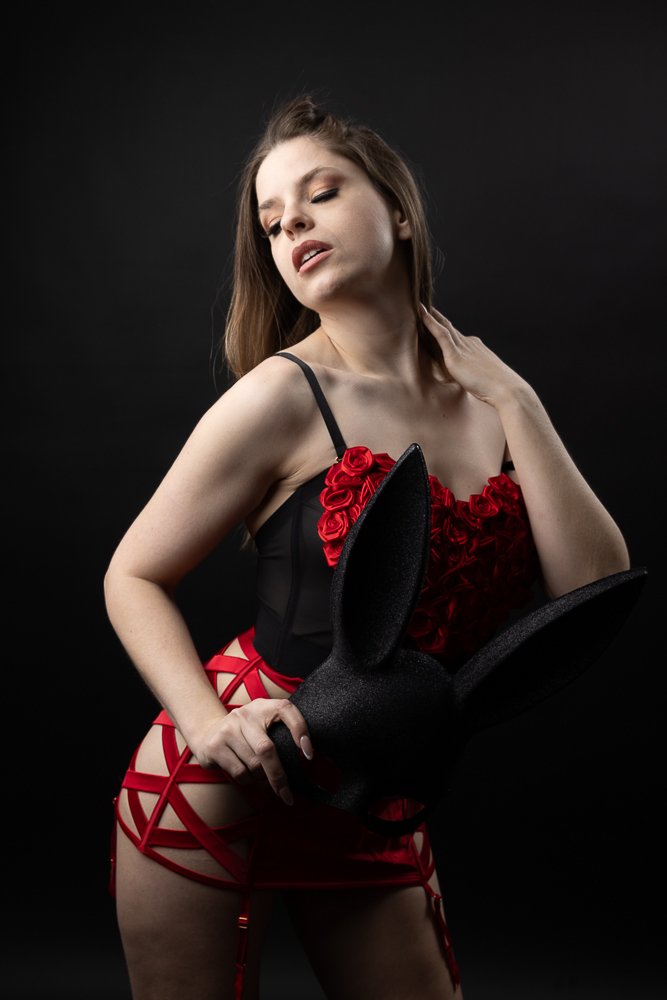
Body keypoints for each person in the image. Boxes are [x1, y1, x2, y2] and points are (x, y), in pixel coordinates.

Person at [104, 94, 630, 1000]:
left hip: (376, 797)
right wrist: (206, 722)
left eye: (320, 194)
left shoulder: (490, 404)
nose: (293, 226)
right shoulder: (280, 395)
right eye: (273, 223)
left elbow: (591, 588)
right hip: (226, 783)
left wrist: (517, 400)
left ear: (398, 210)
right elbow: (133, 573)